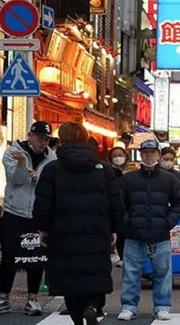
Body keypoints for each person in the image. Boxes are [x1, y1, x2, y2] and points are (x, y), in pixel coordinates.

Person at [33, 122, 124, 325]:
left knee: (70, 281)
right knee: (96, 275)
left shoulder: (52, 169)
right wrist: (115, 228)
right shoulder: (104, 169)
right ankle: (92, 307)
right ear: (85, 138)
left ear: (62, 140)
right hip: (97, 231)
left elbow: (42, 204)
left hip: (63, 233)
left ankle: (77, 319)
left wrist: (43, 227)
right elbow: (116, 202)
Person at [116, 140, 180, 321]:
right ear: (140, 154)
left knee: (162, 272)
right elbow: (118, 204)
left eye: (152, 152)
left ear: (158, 154)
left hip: (160, 233)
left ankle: (163, 306)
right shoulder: (128, 179)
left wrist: (168, 222)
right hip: (134, 233)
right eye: (145, 152)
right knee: (131, 273)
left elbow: (179, 203)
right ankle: (129, 306)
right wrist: (126, 224)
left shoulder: (169, 179)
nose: (148, 155)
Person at [0, 121, 56, 315]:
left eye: (46, 139)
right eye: (40, 138)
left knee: (36, 257)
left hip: (38, 213)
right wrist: (23, 166)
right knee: (9, 256)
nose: (43, 142)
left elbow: (52, 181)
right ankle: (3, 297)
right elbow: (15, 179)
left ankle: (32, 299)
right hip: (14, 211)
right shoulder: (13, 152)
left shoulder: (51, 156)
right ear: (30, 135)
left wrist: (37, 177)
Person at [108, 146, 130, 268]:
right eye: (114, 156)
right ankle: (121, 256)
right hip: (115, 205)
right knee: (119, 232)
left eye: (120, 155)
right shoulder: (108, 171)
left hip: (129, 205)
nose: (117, 158)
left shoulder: (132, 170)